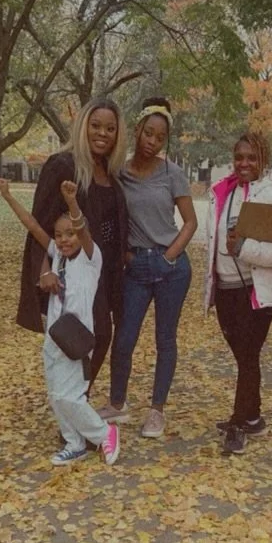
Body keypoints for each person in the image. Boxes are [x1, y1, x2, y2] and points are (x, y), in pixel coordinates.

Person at [0, 178, 120, 466]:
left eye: (70, 234)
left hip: (76, 340)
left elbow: (82, 228)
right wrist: (7, 196)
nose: (65, 239)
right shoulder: (57, 256)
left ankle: (104, 433)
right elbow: (32, 226)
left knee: (71, 396)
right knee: (56, 395)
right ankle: (74, 442)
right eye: (60, 235)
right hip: (55, 337)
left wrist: (71, 201)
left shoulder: (91, 259)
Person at [99, 97, 198, 437]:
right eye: (148, 133)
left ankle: (157, 410)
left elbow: (190, 222)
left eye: (160, 137)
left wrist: (169, 256)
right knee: (124, 338)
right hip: (135, 267)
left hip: (172, 267)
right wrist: (126, 256)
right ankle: (117, 403)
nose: (152, 141)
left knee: (165, 340)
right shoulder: (119, 172)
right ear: (137, 130)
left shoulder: (173, 174)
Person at [16, 98, 129, 386]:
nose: (102, 133)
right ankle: (74, 405)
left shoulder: (109, 172)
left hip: (104, 270)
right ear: (83, 127)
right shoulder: (62, 165)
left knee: (102, 336)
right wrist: (44, 271)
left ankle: (77, 400)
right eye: (95, 126)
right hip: (75, 270)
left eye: (110, 128)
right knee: (90, 335)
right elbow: (41, 225)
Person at [204, 132, 272, 454]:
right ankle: (254, 416)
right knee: (244, 355)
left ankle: (238, 422)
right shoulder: (222, 192)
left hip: (255, 290)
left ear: (264, 161)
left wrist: (245, 247)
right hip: (226, 288)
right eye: (240, 157)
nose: (244, 163)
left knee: (247, 356)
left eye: (252, 158)